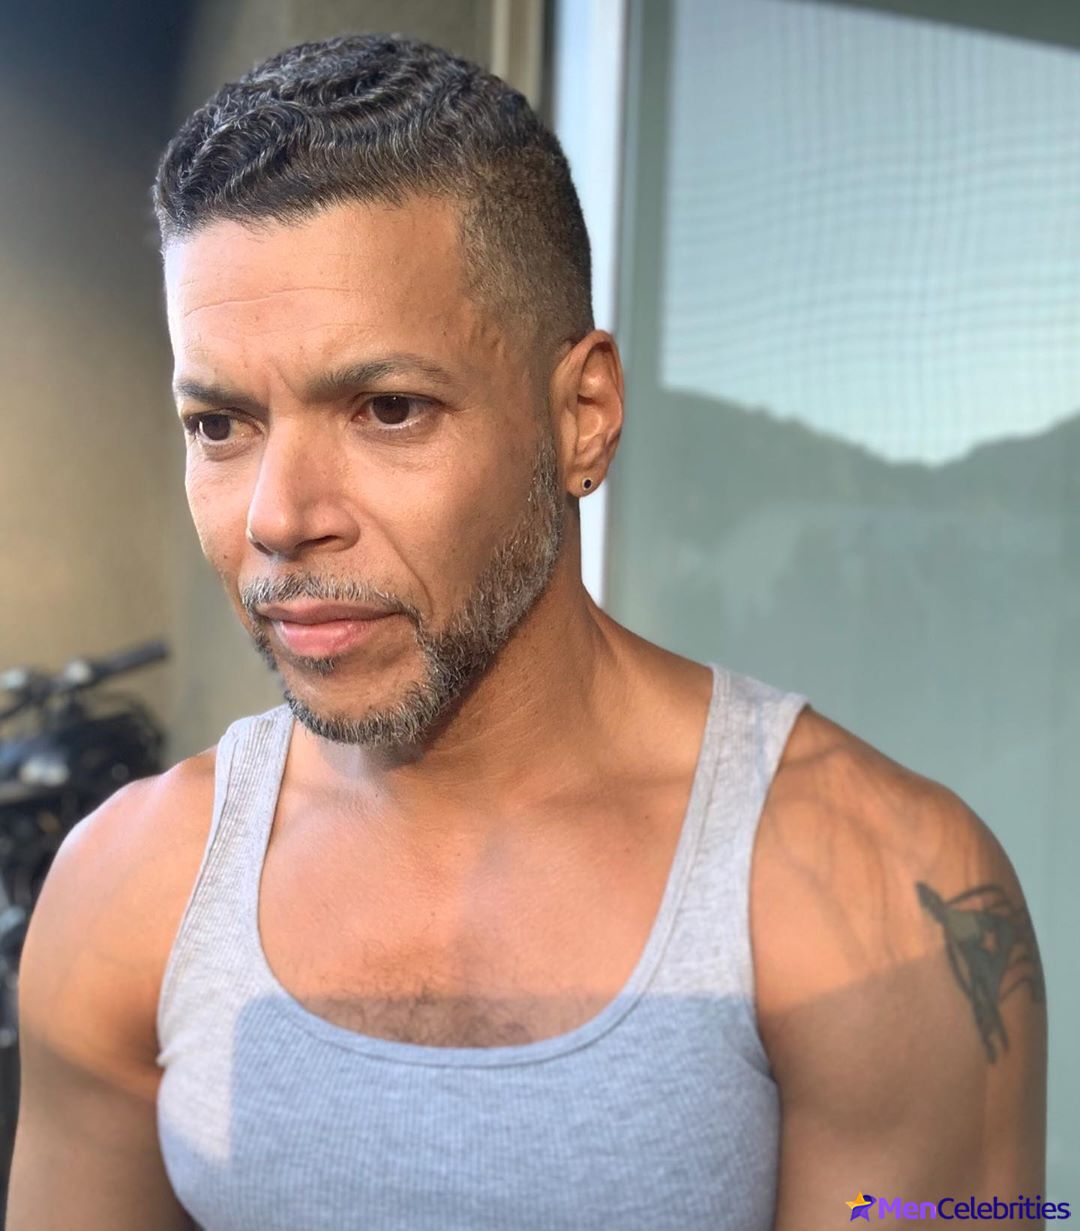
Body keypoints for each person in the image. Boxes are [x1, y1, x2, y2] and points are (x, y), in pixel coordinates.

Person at [6, 32, 1046, 1231]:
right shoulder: (127, 888)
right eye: (221, 425)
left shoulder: (882, 892)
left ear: (582, 415)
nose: (278, 518)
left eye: (387, 408)